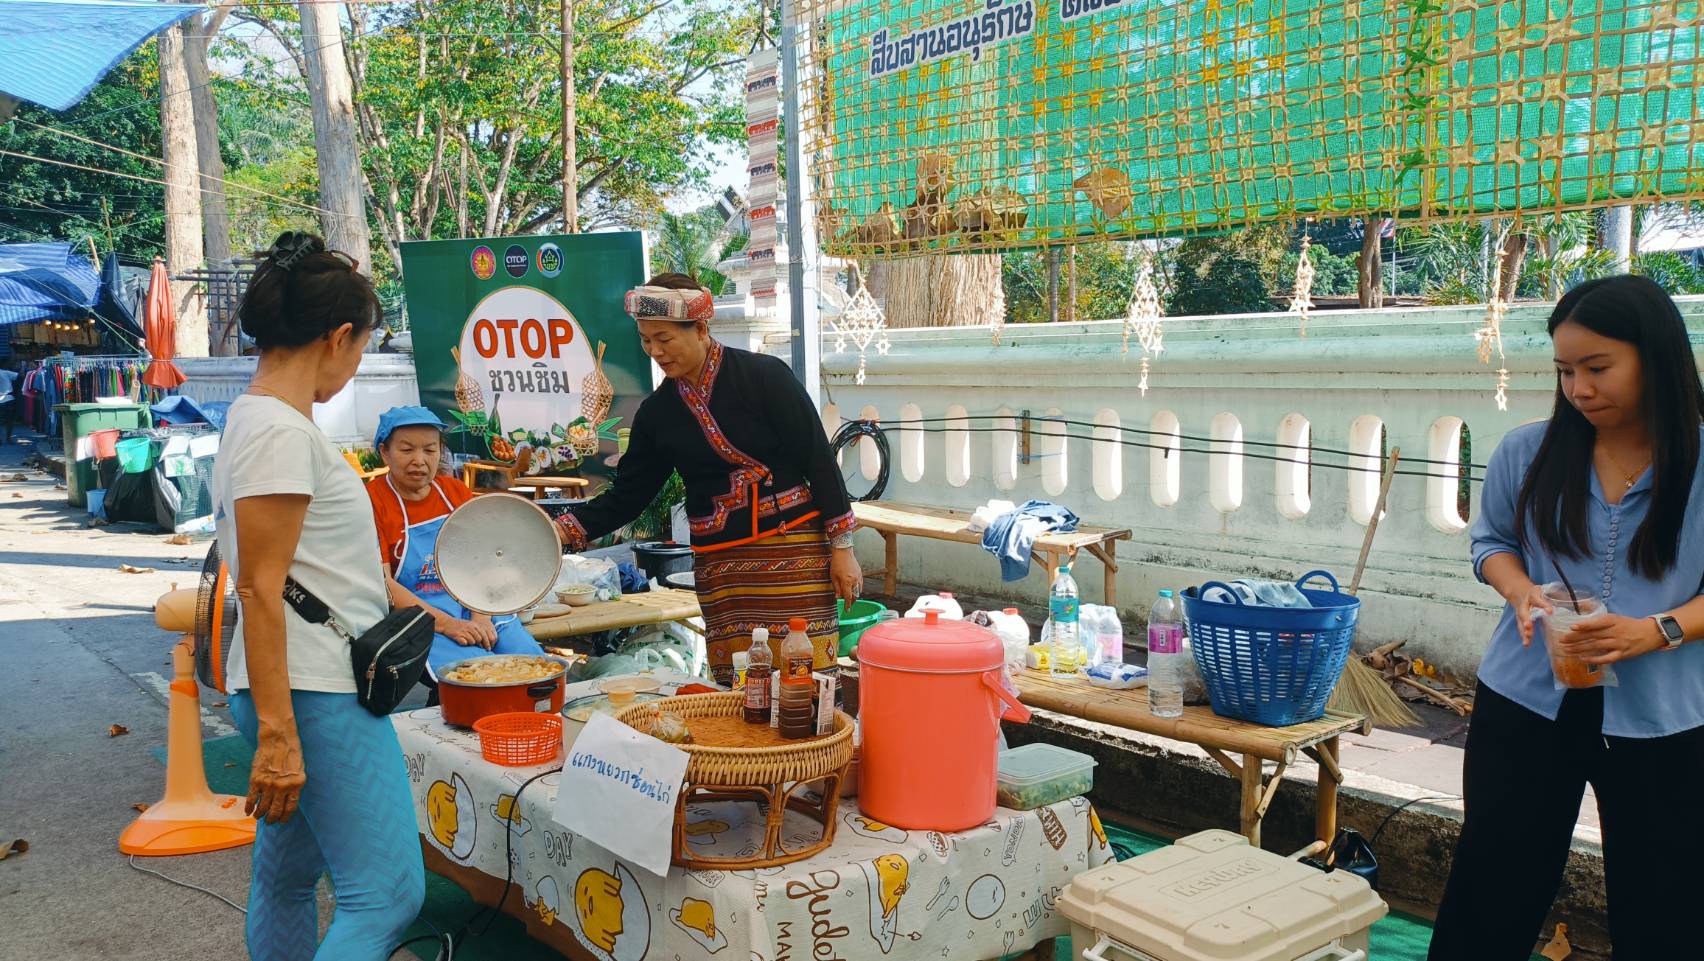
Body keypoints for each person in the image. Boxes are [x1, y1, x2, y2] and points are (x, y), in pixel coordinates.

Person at [1430, 275, 1704, 959]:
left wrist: (1657, 630)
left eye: (1597, 367)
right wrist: (1521, 590)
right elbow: (1491, 543)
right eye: (1565, 370)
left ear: (1655, 357)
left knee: (1666, 902)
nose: (1579, 388)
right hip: (1526, 698)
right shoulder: (1528, 451)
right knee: (1492, 887)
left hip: (1665, 717)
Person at [212, 232, 424, 959]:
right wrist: (279, 736)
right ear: (338, 337)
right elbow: (259, 587)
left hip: (292, 685)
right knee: (386, 896)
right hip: (316, 691)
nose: (355, 363)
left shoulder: (258, 418)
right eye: (360, 348)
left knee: (288, 877)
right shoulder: (279, 430)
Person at [554, 273, 861, 687]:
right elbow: (629, 495)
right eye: (646, 340)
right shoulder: (658, 414)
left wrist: (842, 548)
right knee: (741, 687)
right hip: (721, 569)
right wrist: (562, 530)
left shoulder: (764, 377)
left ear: (700, 329)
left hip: (791, 551)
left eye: (664, 338)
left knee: (803, 681)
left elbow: (818, 459)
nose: (655, 351)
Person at [366, 405, 545, 680]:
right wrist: (448, 624)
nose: (419, 460)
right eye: (406, 450)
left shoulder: (454, 492)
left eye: (429, 450)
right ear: (384, 452)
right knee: (480, 677)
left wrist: (481, 615)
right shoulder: (371, 500)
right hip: (419, 620)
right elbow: (383, 584)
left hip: (474, 604)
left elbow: (484, 557)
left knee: (535, 667)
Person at [0, 360, 19, 444]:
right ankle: (8, 439)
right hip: (9, 399)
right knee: (10, 421)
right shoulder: (6, 372)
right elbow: (19, 376)